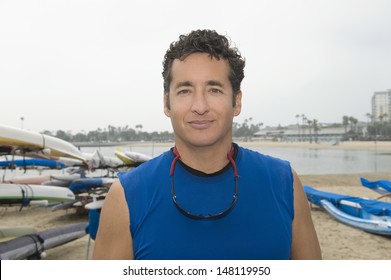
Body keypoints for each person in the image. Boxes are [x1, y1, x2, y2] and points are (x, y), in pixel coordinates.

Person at [93, 29, 322, 260]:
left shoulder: (284, 183)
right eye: (185, 90)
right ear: (167, 103)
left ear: (237, 101)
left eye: (214, 90)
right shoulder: (126, 196)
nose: (200, 106)